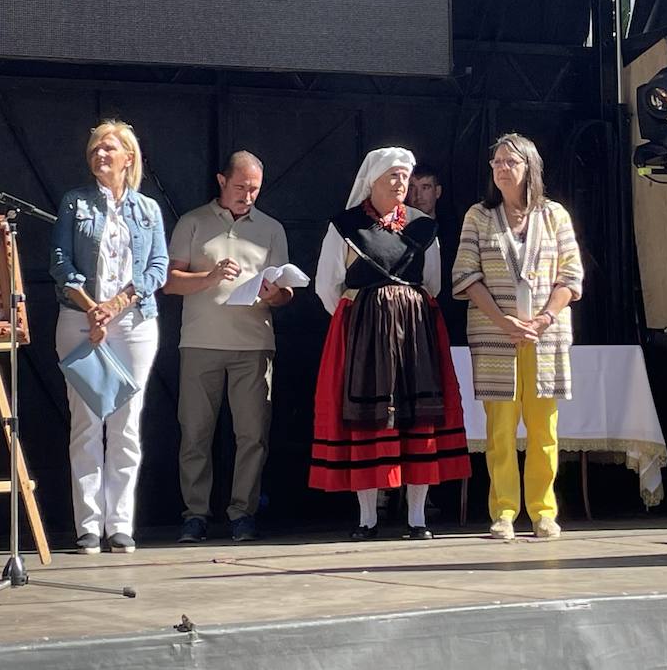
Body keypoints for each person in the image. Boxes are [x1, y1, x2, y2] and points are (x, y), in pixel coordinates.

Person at [310, 147, 470, 540]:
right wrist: (364, 316)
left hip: (415, 333)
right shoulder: (344, 226)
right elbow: (327, 287)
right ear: (373, 182)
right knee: (369, 419)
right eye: (394, 177)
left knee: (419, 416)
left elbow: (431, 283)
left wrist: (403, 310)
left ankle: (418, 517)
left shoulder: (422, 226)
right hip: (364, 333)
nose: (402, 185)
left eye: (406, 177)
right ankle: (368, 518)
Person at [452, 133, 583, 541]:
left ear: (530, 168)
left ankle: (544, 511)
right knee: (501, 429)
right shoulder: (478, 215)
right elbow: (466, 276)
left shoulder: (554, 215)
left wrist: (544, 318)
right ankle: (504, 512)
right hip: (496, 336)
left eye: (510, 162)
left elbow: (571, 276)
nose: (501, 169)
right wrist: (504, 321)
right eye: (496, 163)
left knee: (544, 431)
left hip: (545, 337)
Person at [49, 120, 168, 555]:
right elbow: (59, 261)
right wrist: (90, 304)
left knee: (126, 424)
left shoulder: (148, 210)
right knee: (85, 423)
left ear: (128, 158)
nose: (100, 155)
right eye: (96, 148)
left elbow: (157, 267)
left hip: (134, 323)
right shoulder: (74, 203)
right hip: (80, 317)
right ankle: (87, 525)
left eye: (109, 148)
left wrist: (117, 305)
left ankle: (120, 523)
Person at [164, 151, 292, 543]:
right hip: (200, 342)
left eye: (254, 189)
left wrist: (275, 295)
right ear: (221, 181)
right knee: (196, 432)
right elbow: (168, 282)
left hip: (254, 344)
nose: (247, 196)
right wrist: (210, 276)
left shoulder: (271, 228)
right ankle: (195, 515)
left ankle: (243, 513)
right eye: (240, 187)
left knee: (252, 434)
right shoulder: (193, 222)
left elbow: (287, 290)